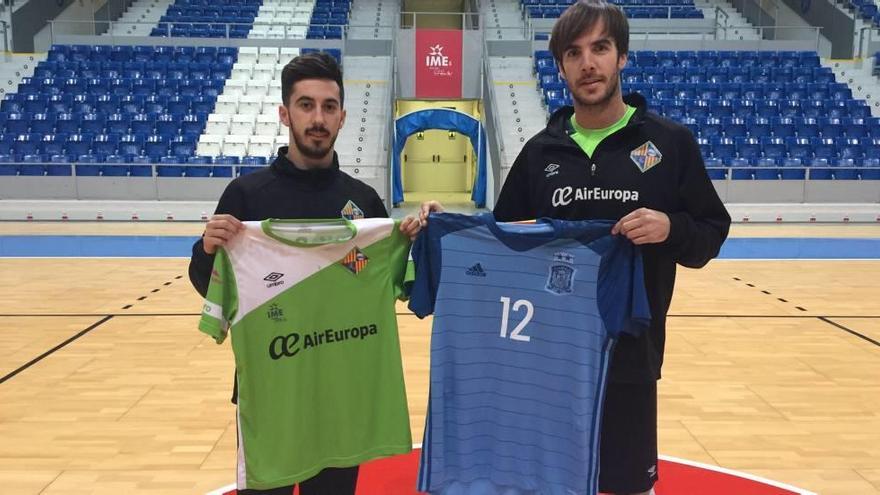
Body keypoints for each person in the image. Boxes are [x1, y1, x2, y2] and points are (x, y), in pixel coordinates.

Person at [420, 1, 731, 494]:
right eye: (574, 53)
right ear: (560, 66)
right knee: (549, 482)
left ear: (621, 57)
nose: (588, 63)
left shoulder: (670, 144)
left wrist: (670, 227)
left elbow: (712, 231)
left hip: (628, 356)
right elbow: (505, 241)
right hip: (548, 359)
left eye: (600, 48)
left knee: (627, 485)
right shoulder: (541, 152)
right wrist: (451, 226)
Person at [188, 52, 421, 495]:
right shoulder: (245, 195)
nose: (318, 118)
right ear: (284, 113)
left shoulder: (365, 204)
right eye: (306, 105)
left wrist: (412, 239)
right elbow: (209, 286)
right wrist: (207, 248)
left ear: (342, 117)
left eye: (329, 107)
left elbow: (403, 288)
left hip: (341, 399)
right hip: (271, 394)